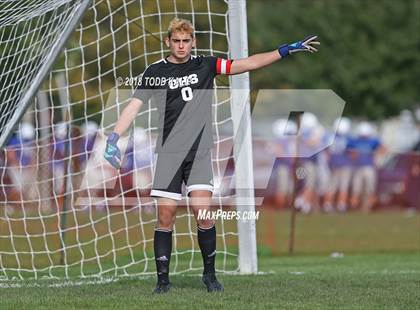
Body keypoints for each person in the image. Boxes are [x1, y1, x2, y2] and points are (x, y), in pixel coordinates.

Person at [103, 17, 320, 293]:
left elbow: (247, 63)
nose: (181, 46)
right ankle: (162, 281)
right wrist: (114, 136)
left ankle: (209, 275)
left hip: (200, 152)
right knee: (165, 215)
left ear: (192, 42)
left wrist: (284, 50)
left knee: (202, 213)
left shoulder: (207, 64)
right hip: (169, 153)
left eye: (186, 41)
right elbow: (133, 106)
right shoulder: (155, 71)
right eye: (176, 41)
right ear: (168, 42)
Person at [323, 117, 352, 212]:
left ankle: (329, 204)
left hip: (334, 165)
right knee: (342, 186)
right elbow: (352, 153)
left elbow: (326, 152)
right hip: (342, 165)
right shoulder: (347, 138)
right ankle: (340, 205)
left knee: (333, 186)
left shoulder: (329, 136)